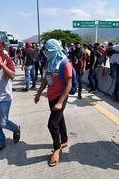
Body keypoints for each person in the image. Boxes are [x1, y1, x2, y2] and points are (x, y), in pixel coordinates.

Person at [34, 39, 72, 167]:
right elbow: (46, 78)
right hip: (51, 96)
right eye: (46, 51)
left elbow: (69, 84)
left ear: (56, 50)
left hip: (60, 97)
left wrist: (60, 102)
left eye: (49, 51)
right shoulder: (49, 62)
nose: (47, 53)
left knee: (52, 124)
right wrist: (39, 93)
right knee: (59, 119)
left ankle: (57, 148)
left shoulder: (65, 63)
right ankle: (64, 140)